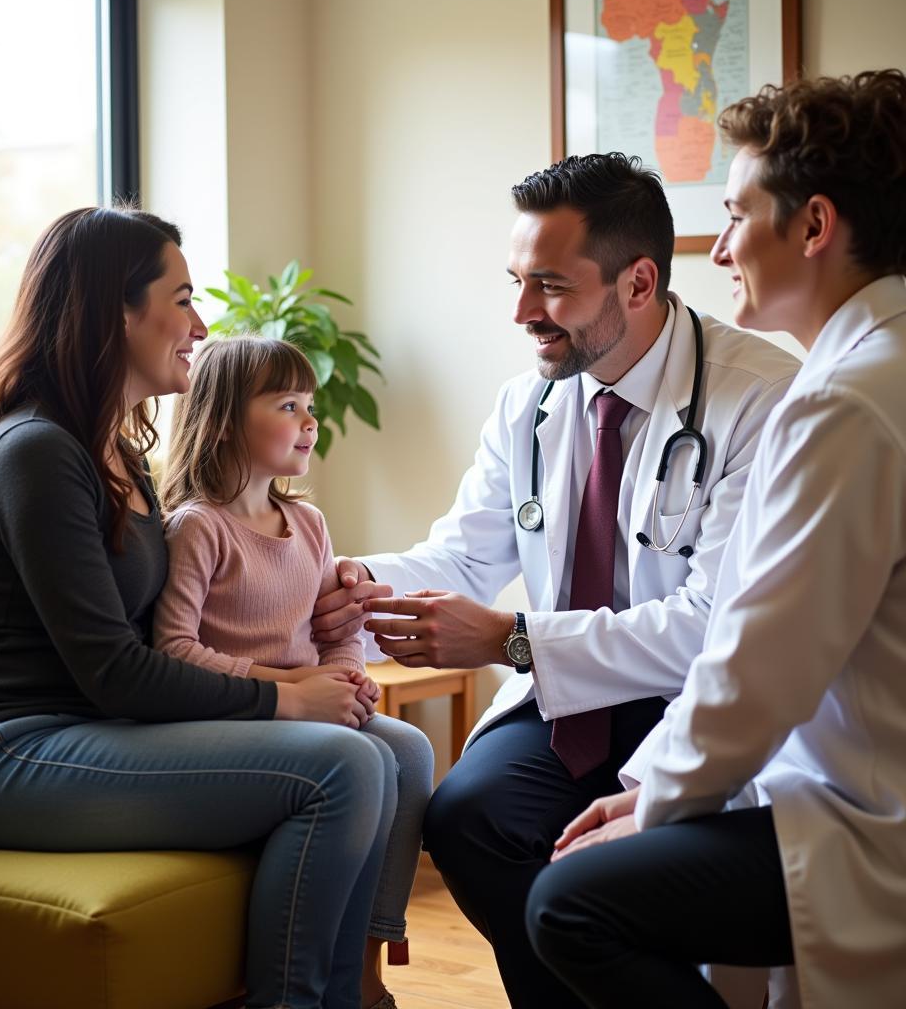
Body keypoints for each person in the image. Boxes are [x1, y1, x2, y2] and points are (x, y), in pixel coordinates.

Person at [310, 152, 802, 1008]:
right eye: (516, 280)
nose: (521, 312)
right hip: (573, 705)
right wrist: (342, 576)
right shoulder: (529, 404)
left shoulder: (761, 400)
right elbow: (464, 556)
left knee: (601, 882)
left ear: (639, 282)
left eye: (550, 287)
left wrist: (512, 638)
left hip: (697, 705)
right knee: (469, 819)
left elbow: (713, 625)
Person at [0, 206, 399, 1009]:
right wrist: (284, 699)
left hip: (96, 735)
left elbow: (162, 634)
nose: (200, 323)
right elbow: (114, 670)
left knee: (394, 751)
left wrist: (321, 612)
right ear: (118, 308)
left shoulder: (118, 455)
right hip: (2, 757)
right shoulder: (36, 452)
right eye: (181, 299)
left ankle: (351, 997)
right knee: (345, 765)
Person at [527, 69, 906, 1009]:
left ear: (813, 227)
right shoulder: (874, 371)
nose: (722, 247)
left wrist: (654, 802)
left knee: (569, 906)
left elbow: (758, 658)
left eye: (736, 216)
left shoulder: (845, 406)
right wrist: (653, 784)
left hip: (868, 821)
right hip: (842, 783)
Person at [154, 334, 434, 1009]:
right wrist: (292, 687)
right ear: (222, 422)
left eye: (309, 404)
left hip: (309, 709)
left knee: (410, 750)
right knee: (357, 759)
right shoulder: (197, 528)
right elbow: (173, 650)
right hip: (238, 715)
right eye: (287, 404)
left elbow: (329, 630)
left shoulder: (307, 522)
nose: (309, 420)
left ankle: (366, 970)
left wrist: (348, 677)